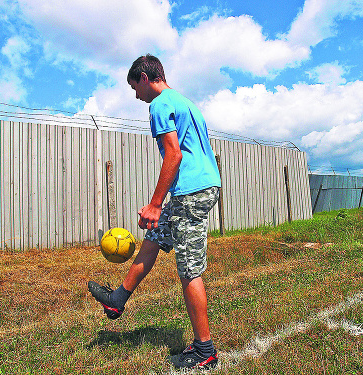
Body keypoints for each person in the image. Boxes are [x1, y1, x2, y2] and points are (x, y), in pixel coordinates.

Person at [88, 54, 222, 370]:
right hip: (197, 187)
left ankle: (206, 350)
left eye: (135, 88)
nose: (137, 96)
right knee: (154, 238)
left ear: (146, 79)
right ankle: (118, 299)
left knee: (189, 269)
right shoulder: (186, 102)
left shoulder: (160, 105)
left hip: (190, 191)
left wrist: (155, 203)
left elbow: (174, 155)